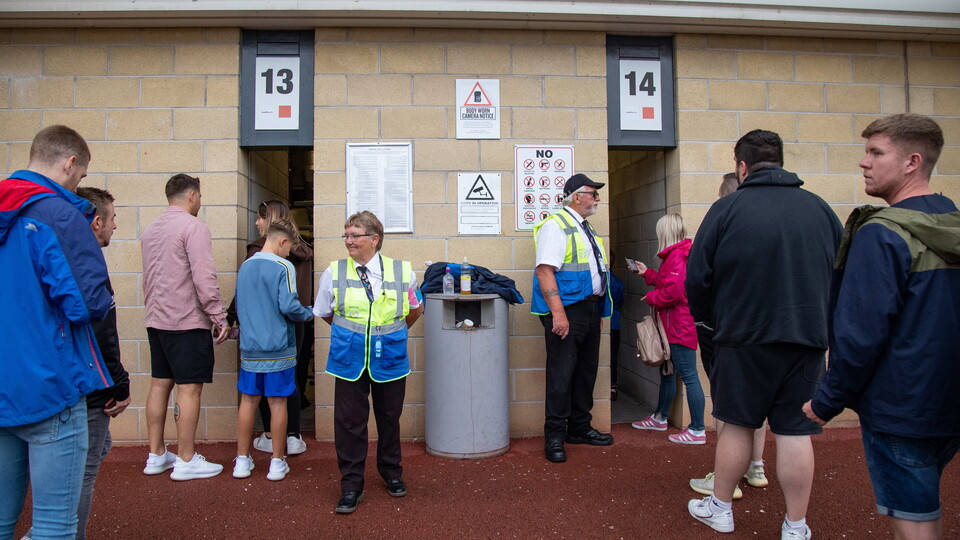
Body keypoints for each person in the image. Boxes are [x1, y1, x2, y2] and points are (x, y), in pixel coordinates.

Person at [803, 114, 960, 540]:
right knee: (925, 508)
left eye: (875, 152)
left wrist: (827, 401)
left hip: (900, 406)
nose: (863, 162)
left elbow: (861, 333)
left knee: (913, 517)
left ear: (912, 161)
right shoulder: (951, 223)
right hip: (946, 401)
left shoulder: (882, 233)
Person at [685, 129, 843, 539]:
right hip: (807, 338)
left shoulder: (727, 210)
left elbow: (698, 280)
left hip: (743, 336)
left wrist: (709, 324)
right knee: (795, 430)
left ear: (742, 166)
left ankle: (720, 508)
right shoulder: (821, 210)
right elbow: (840, 276)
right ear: (780, 160)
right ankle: (796, 525)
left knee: (737, 424)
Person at [0, 125, 113, 539]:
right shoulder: (58, 214)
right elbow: (87, 303)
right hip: (49, 382)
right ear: (69, 164)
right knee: (54, 525)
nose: (79, 182)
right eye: (81, 175)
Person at [313, 211, 424, 514]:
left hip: (389, 358)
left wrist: (388, 334)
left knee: (390, 418)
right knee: (349, 423)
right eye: (346, 235)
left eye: (354, 235)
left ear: (374, 239)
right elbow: (324, 312)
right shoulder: (333, 272)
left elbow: (415, 309)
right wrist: (353, 336)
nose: (348, 241)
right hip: (349, 359)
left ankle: (392, 472)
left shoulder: (403, 272)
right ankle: (351, 484)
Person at [141, 173, 229, 481]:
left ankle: (156, 454)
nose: (200, 203)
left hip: (156, 319)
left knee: (159, 384)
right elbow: (204, 278)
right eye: (200, 197)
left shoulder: (150, 229)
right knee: (189, 389)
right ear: (192, 196)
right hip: (186, 321)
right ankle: (187, 458)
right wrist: (219, 317)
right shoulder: (194, 228)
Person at [689, 172, 768, 501]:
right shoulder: (769, 223)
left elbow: (699, 277)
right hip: (766, 326)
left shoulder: (722, 219)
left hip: (727, 328)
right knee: (758, 403)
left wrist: (703, 318)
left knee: (728, 405)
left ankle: (726, 478)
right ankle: (756, 466)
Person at [531, 173, 614, 464]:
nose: (597, 199)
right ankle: (554, 434)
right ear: (576, 196)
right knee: (561, 375)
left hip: (589, 310)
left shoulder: (584, 227)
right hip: (567, 311)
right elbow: (545, 271)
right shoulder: (557, 226)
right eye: (593, 194)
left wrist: (597, 312)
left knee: (585, 372)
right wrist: (559, 315)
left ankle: (579, 427)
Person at [228, 200, 315, 456]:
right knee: (281, 397)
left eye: (259, 218)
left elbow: (240, 299)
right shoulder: (287, 263)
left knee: (249, 401)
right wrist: (310, 313)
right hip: (281, 341)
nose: (257, 223)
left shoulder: (248, 263)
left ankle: (242, 459)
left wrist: (230, 319)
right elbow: (289, 305)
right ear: (283, 242)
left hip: (252, 346)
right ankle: (280, 458)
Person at [629, 214, 705, 445]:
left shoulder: (677, 257)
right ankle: (660, 417)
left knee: (689, 377)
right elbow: (669, 284)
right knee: (669, 374)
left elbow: (674, 292)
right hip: (674, 326)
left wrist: (651, 297)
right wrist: (647, 274)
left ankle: (697, 429)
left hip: (678, 327)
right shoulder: (676, 256)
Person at [608, 271, 624, 401]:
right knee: (613, 355)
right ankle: (612, 386)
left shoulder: (602, 279)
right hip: (614, 322)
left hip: (605, 320)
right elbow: (620, 301)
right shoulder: (617, 282)